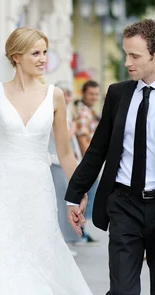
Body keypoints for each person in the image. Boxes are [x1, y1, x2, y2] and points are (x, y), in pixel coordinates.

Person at [65, 18, 155, 295]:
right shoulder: (118, 94)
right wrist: (75, 194)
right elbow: (98, 149)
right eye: (125, 54)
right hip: (124, 205)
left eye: (134, 55)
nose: (127, 62)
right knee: (121, 291)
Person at [0, 26, 92, 295]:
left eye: (45, 52)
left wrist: (79, 191)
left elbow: (65, 153)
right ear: (16, 57)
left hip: (36, 188)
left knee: (38, 260)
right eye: (36, 53)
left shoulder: (55, 96)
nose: (43, 59)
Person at [49, 81, 83, 248]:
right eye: (66, 94)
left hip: (68, 161)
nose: (68, 98)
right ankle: (62, 241)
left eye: (69, 94)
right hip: (56, 161)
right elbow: (59, 140)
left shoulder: (68, 111)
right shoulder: (55, 110)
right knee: (62, 203)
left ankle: (68, 240)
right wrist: (72, 130)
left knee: (67, 202)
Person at [73, 79, 101, 244]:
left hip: (88, 160)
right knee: (84, 198)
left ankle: (82, 231)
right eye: (91, 93)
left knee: (87, 197)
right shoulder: (83, 113)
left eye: (96, 94)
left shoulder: (88, 111)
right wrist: (90, 163)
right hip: (86, 162)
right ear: (83, 93)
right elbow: (82, 139)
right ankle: (79, 232)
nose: (94, 97)